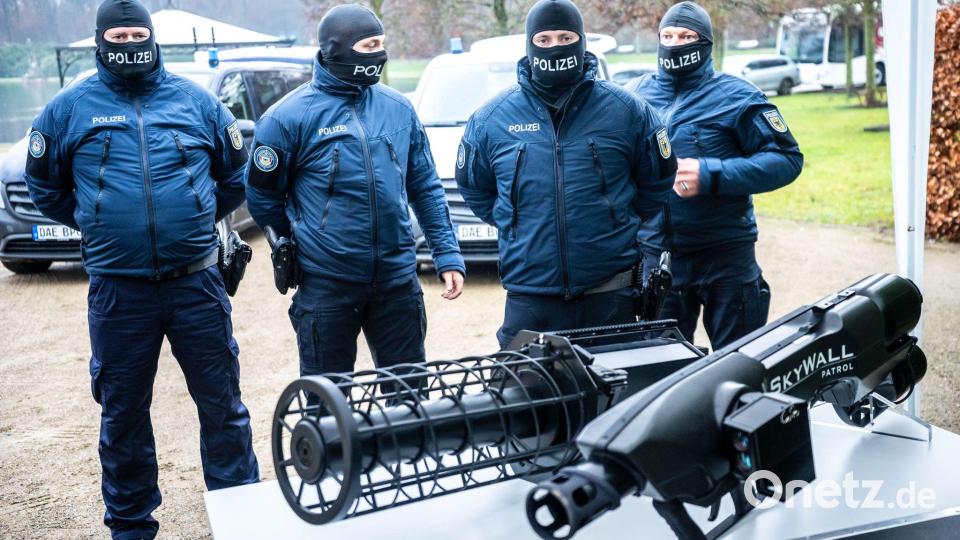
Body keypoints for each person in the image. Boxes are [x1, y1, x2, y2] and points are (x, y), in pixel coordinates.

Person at [22, 1, 259, 538]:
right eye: (119, 33)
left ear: (151, 37)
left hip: (196, 282)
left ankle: (241, 517)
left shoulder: (197, 103)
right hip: (118, 290)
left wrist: (196, 213)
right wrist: (96, 218)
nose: (129, 41)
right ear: (102, 39)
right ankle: (130, 526)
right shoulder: (69, 109)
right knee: (123, 413)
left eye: (137, 32)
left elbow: (235, 174)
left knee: (222, 405)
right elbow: (45, 185)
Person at [245, 4, 465, 377]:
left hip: (397, 280)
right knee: (328, 403)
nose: (379, 53)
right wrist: (295, 245)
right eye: (368, 45)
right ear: (336, 49)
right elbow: (263, 197)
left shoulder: (399, 108)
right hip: (327, 285)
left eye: (382, 43)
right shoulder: (286, 118)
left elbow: (424, 185)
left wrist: (446, 253)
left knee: (409, 398)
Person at [456, 0, 676, 350]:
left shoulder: (628, 111)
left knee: (617, 401)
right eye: (543, 40)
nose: (555, 47)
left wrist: (617, 218)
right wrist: (514, 221)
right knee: (529, 402)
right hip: (530, 299)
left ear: (582, 40)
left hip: (611, 295)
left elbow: (657, 181)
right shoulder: (491, 119)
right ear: (529, 45)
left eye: (565, 36)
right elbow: (476, 189)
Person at [628, 1, 804, 350]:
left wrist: (711, 174)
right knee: (659, 371)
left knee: (736, 365)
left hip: (725, 255)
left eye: (686, 35)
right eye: (668, 35)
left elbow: (787, 159)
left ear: (704, 42)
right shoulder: (633, 96)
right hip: (656, 257)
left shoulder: (739, 96)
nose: (676, 43)